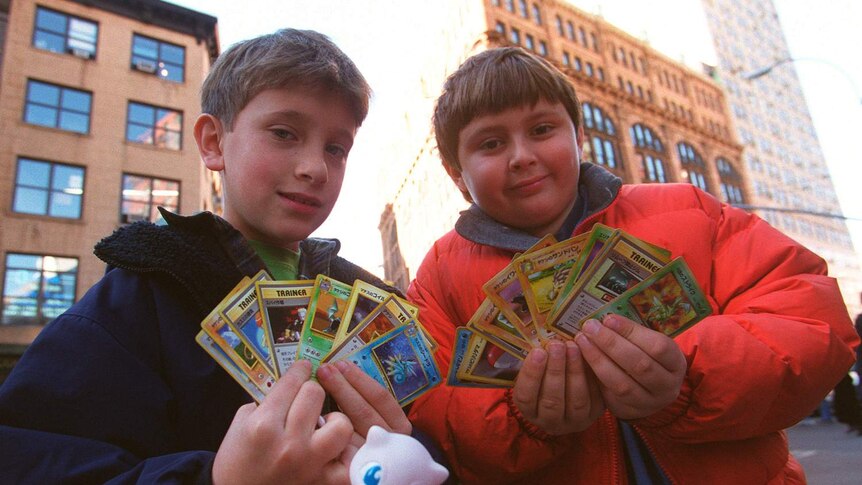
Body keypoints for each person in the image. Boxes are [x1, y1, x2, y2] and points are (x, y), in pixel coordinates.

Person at [406, 46, 859, 483]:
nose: (522, 155)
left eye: (542, 130)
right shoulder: (438, 279)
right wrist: (525, 419)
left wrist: (685, 374)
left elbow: (810, 319)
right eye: (491, 143)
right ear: (456, 175)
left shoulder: (688, 210)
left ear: (578, 138)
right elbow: (430, 414)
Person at [0, 29, 427, 484]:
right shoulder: (143, 292)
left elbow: (432, 451)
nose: (314, 167)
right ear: (213, 142)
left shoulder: (374, 303)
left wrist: (410, 456)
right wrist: (220, 479)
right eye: (284, 133)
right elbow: (28, 459)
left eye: (335, 148)